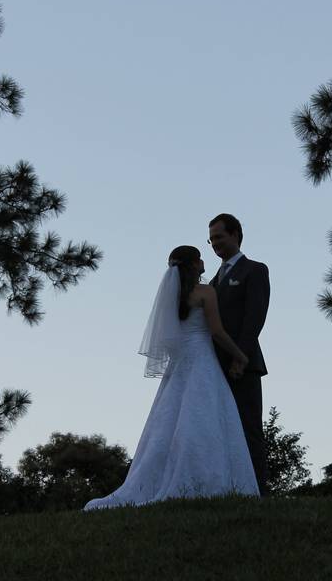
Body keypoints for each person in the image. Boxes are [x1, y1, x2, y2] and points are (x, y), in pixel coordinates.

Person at [83, 245, 259, 510]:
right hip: (202, 359)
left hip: (179, 365)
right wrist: (240, 355)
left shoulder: (173, 296)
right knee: (204, 419)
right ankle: (206, 481)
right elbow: (217, 332)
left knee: (171, 423)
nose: (204, 263)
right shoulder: (205, 291)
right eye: (200, 259)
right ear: (194, 264)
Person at [207, 213, 270, 493]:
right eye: (211, 240)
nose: (214, 244)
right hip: (213, 366)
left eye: (219, 237)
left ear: (235, 235)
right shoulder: (212, 282)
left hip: (243, 363)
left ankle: (258, 490)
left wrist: (239, 357)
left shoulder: (255, 270)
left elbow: (254, 318)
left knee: (249, 429)